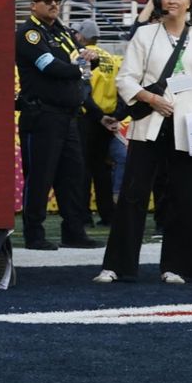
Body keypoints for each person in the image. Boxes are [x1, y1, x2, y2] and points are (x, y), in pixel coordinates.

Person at [97, 0, 192, 284]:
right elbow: (125, 79)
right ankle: (117, 266)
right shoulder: (145, 35)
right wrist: (151, 99)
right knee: (133, 196)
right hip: (148, 125)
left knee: (185, 199)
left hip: (190, 127)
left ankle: (179, 266)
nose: (172, 1)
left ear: (190, 1)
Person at [14, 0, 98, 250]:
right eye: (47, 0)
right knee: (40, 176)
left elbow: (79, 61)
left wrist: (88, 59)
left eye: (57, 0)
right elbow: (50, 67)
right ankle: (34, 234)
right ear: (33, 5)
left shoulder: (61, 30)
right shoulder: (29, 33)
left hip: (67, 116)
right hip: (42, 114)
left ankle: (73, 231)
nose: (53, 4)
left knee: (72, 175)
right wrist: (81, 67)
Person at [73, 19, 124, 229]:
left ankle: (84, 216)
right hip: (108, 117)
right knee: (102, 169)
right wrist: (115, 116)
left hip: (89, 117)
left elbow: (83, 89)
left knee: (83, 169)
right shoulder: (111, 58)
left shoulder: (83, 57)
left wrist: (95, 114)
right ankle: (108, 215)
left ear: (81, 36)